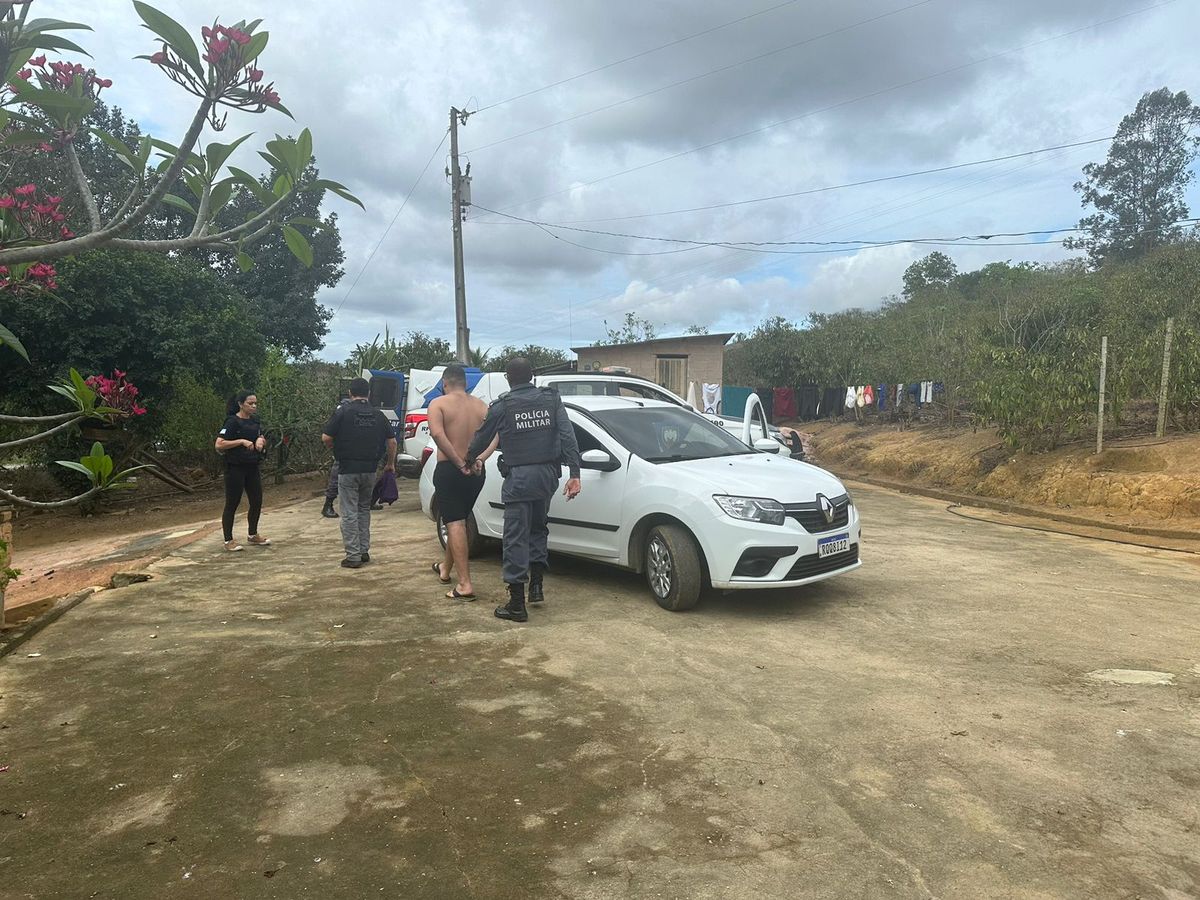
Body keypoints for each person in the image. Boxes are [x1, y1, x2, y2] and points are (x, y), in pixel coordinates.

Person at [464, 358, 582, 623]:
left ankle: (517, 603)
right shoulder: (551, 399)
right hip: (547, 477)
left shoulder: (503, 405)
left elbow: (481, 438)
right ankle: (536, 587)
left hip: (519, 479)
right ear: (532, 376)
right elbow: (567, 435)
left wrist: (468, 461)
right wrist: (575, 473)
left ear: (508, 378)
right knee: (539, 528)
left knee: (515, 536)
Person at [428, 364, 492, 601]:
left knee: (454, 523)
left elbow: (437, 434)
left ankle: (464, 584)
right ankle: (445, 569)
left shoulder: (439, 404)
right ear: (465, 383)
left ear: (445, 383)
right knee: (460, 521)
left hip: (451, 469)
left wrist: (457, 461)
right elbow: (495, 434)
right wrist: (479, 459)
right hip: (475, 472)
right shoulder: (481, 405)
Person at [321, 377, 396, 569]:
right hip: (370, 469)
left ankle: (353, 555)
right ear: (369, 394)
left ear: (349, 393)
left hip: (347, 469)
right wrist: (389, 464)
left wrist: (337, 449)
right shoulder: (378, 415)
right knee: (363, 509)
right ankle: (363, 551)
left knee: (348, 512)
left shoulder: (343, 412)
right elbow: (392, 442)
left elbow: (326, 437)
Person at [214, 391, 270, 552]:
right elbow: (219, 444)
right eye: (250, 403)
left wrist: (260, 440)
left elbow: (260, 435)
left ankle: (253, 534)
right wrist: (241, 441)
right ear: (240, 404)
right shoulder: (232, 422)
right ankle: (228, 540)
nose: (254, 406)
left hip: (252, 466)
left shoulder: (255, 421)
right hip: (235, 467)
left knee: (257, 500)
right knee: (232, 503)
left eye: (255, 403)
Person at [321, 396, 352, 519]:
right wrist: (334, 446)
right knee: (336, 477)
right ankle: (328, 504)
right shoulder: (342, 410)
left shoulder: (346, 409)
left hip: (353, 449)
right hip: (343, 450)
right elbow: (328, 435)